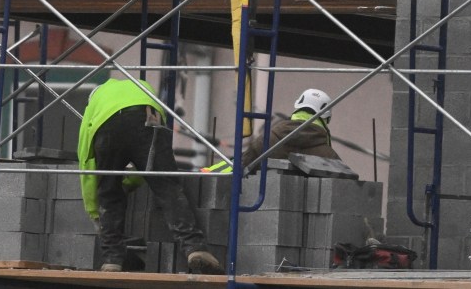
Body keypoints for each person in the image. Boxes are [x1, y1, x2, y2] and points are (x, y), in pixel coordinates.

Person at [77, 77, 222, 275]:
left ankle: (112, 260)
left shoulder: (96, 104)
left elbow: (86, 163)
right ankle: (195, 248)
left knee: (109, 194)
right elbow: (147, 164)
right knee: (168, 187)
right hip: (148, 116)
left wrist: (94, 210)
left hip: (107, 126)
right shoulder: (142, 86)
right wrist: (133, 181)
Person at [241, 88, 342, 173]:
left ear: (297, 109)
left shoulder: (265, 141)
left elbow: (240, 172)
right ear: (326, 118)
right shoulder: (330, 156)